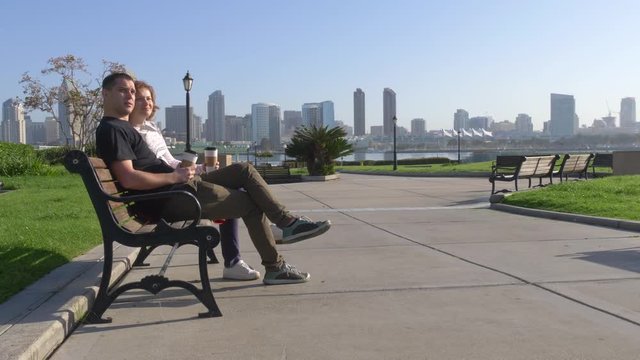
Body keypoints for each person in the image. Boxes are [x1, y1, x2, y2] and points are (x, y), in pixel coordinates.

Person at [96, 72, 330, 285]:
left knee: (244, 170)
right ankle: (275, 265)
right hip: (171, 198)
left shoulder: (121, 127)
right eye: (123, 90)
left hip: (177, 189)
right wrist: (173, 176)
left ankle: (286, 223)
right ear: (106, 94)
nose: (130, 95)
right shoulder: (113, 130)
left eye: (132, 91)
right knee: (250, 204)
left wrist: (182, 173)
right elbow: (128, 179)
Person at [129, 80, 258, 280]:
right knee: (236, 189)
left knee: (238, 183)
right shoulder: (131, 134)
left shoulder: (152, 128)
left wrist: (197, 167)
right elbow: (153, 169)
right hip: (168, 195)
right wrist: (186, 171)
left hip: (176, 184)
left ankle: (236, 258)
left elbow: (170, 162)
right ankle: (237, 257)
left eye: (149, 98)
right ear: (130, 102)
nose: (146, 103)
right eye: (140, 98)